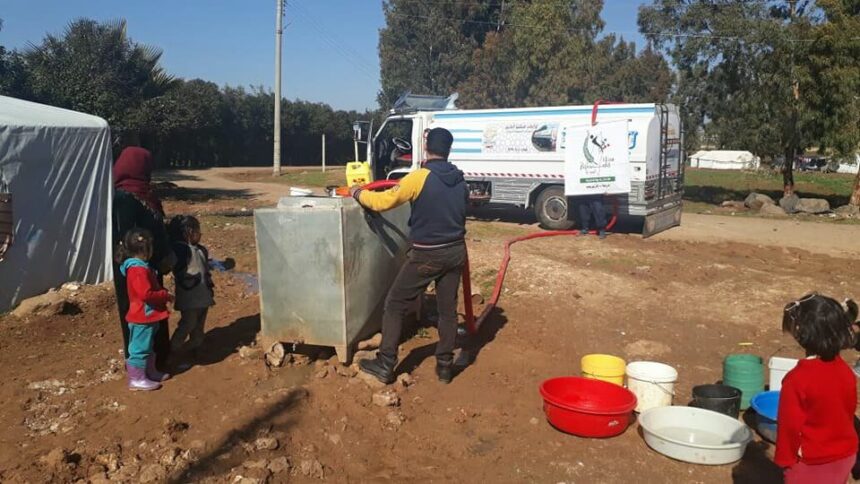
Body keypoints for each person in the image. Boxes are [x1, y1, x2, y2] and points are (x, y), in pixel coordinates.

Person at [351, 127, 467, 384]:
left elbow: (384, 202)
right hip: (456, 252)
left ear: (426, 148)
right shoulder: (460, 179)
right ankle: (445, 367)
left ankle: (385, 363)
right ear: (448, 150)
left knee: (395, 303)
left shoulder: (419, 178)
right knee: (447, 310)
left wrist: (358, 193)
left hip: (428, 255)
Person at [776, 293, 858, 483]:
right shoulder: (845, 370)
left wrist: (785, 459)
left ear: (801, 334)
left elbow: (789, 427)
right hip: (845, 456)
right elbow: (847, 411)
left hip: (812, 463)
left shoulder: (797, 380)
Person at [112, 146, 175, 374]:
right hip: (135, 270)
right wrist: (139, 262)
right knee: (139, 316)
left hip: (151, 265)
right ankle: (138, 368)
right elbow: (126, 236)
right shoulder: (123, 198)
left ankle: (157, 360)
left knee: (154, 314)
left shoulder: (145, 193)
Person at [116, 228, 173, 391]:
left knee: (147, 345)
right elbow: (145, 294)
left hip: (148, 315)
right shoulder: (138, 270)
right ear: (145, 249)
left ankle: (149, 371)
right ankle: (136, 378)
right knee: (139, 348)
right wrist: (164, 295)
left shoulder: (141, 267)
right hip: (142, 315)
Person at [168, 215, 214, 358]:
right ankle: (172, 349)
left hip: (203, 295)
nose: (200, 234)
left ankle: (196, 346)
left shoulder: (201, 250)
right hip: (189, 297)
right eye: (197, 231)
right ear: (188, 232)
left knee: (198, 325)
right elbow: (168, 265)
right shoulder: (180, 250)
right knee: (188, 323)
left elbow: (205, 270)